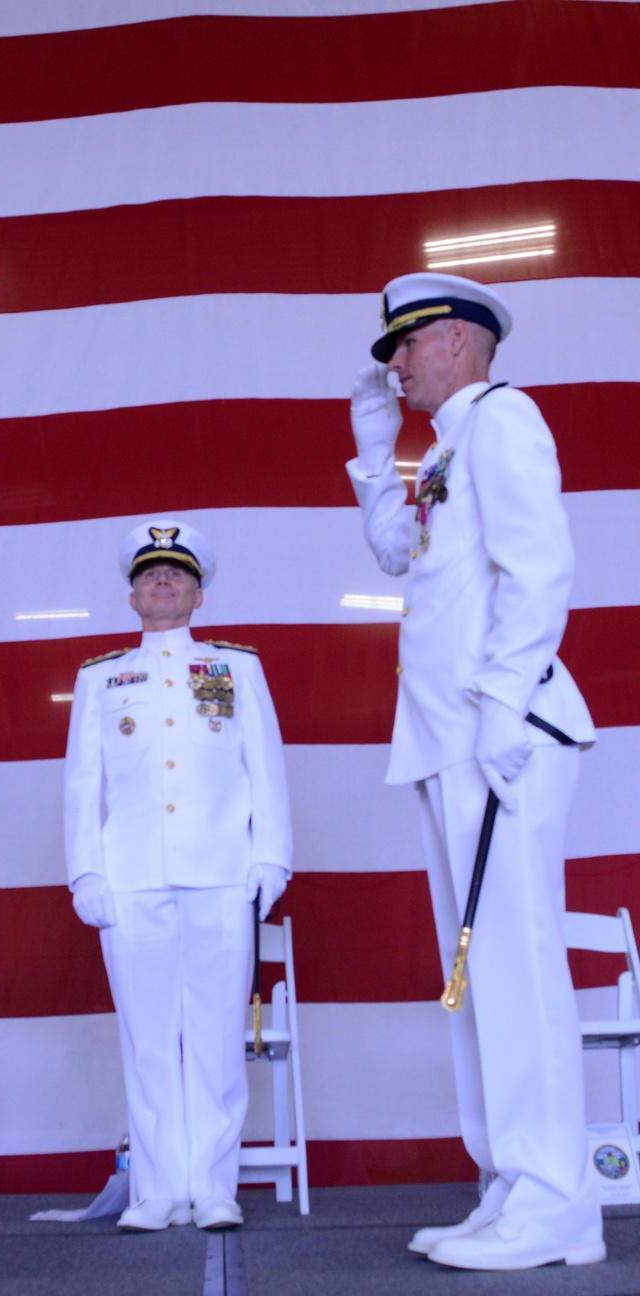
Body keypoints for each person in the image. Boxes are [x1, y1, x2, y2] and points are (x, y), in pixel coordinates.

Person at [347, 272, 602, 1271]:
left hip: (503, 734)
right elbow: (399, 556)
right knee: (476, 977)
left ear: (456, 339)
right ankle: (508, 1183)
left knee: (516, 968)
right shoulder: (445, 450)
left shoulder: (502, 418)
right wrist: (376, 456)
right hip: (449, 737)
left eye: (406, 346)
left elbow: (540, 567)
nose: (395, 366)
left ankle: (556, 1203)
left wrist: (501, 701)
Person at [64, 520, 293, 1232]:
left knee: (219, 1039)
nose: (162, 582)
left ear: (199, 595)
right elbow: (83, 784)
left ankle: (214, 1186)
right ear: (131, 596)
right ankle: (157, 1190)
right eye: (149, 575)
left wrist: (272, 855)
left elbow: (265, 765)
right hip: (130, 877)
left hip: (223, 872)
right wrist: (85, 871)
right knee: (148, 1041)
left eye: (177, 574)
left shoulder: (236, 669)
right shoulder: (100, 677)